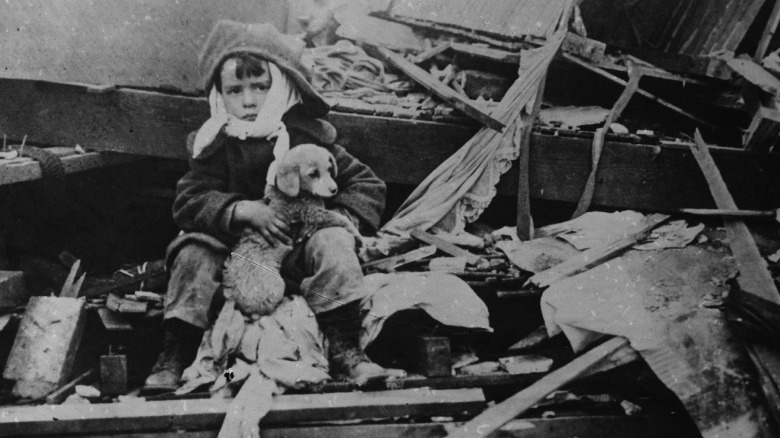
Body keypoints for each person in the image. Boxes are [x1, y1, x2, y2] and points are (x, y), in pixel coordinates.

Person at [144, 20, 397, 393]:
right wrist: (241, 210)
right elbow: (190, 198)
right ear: (219, 95)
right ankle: (176, 352)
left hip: (295, 254)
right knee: (191, 252)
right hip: (237, 258)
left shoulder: (306, 137)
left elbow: (365, 184)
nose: (248, 100)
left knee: (334, 244)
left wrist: (334, 220)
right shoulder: (215, 144)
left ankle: (345, 348)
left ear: (281, 86)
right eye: (235, 90)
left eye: (260, 86)